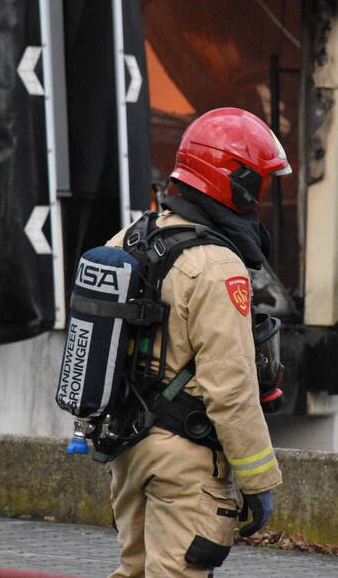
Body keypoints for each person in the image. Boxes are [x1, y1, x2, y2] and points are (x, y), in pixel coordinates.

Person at [104, 107, 290, 577]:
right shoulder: (217, 265)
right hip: (185, 458)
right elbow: (230, 386)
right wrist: (258, 480)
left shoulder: (130, 238)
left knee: (134, 570)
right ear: (237, 182)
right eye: (258, 183)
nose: (259, 197)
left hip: (129, 444)